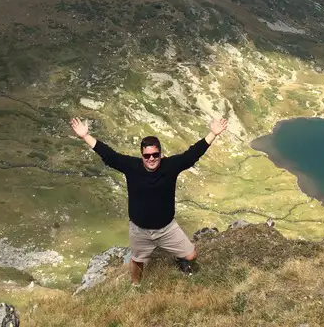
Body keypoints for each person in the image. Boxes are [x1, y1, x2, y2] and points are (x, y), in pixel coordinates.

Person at [69, 115, 229, 285]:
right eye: (147, 156)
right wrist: (85, 136)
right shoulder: (131, 167)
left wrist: (213, 134)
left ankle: (180, 260)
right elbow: (109, 155)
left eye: (155, 154)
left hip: (167, 228)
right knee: (138, 261)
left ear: (160, 153)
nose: (151, 158)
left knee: (191, 255)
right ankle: (135, 285)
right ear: (142, 155)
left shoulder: (171, 166)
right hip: (140, 230)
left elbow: (192, 155)